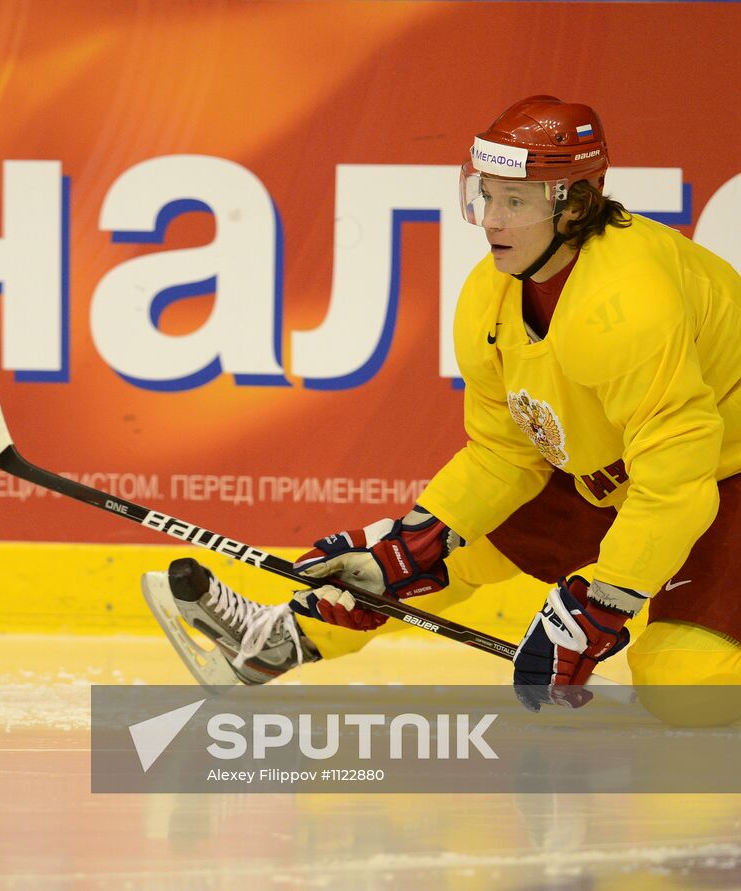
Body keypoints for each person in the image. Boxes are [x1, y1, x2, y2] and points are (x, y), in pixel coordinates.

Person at [145, 95, 741, 713]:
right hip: (622, 467)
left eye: (516, 201)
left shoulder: (628, 302)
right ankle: (287, 638)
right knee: (432, 558)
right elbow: (504, 454)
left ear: (577, 207)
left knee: (687, 690)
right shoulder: (492, 295)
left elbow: (677, 478)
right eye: (487, 194)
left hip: (726, 475)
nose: (492, 219)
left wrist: (601, 605)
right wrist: (423, 535)